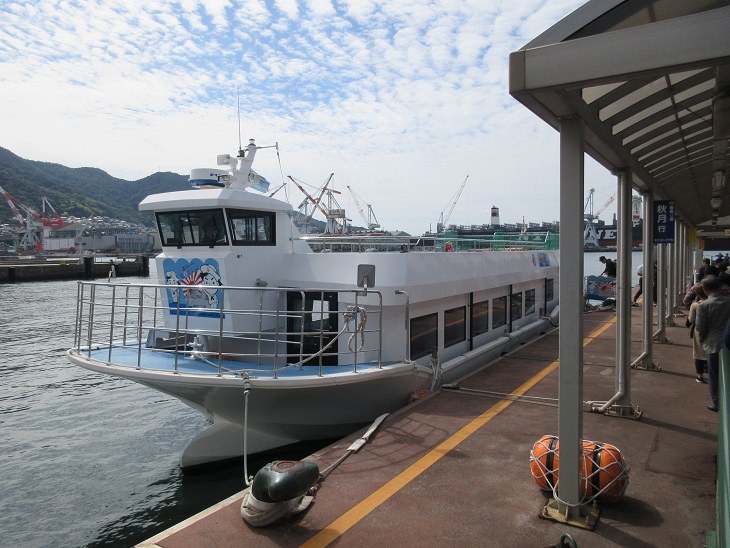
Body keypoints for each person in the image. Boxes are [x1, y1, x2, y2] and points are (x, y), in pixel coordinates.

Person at [695, 275, 730, 412]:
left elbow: (700, 327)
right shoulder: (728, 301)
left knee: (714, 375)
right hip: (727, 341)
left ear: (705, 289)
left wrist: (702, 339)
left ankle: (717, 402)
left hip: (713, 343)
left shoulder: (703, 306)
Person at [687, 284, 708, 383]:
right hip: (713, 330)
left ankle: (700, 376)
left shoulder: (695, 305)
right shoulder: (714, 303)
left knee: (699, 353)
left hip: (699, 331)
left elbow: (691, 319)